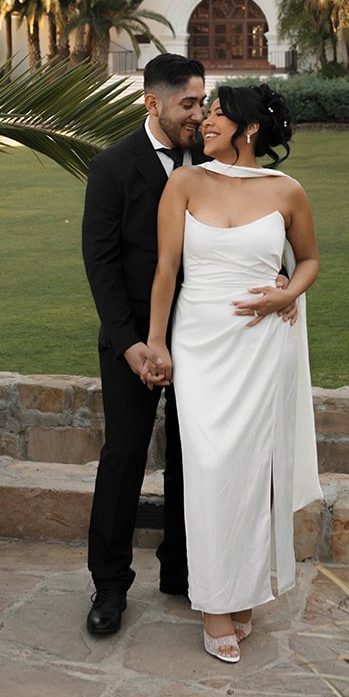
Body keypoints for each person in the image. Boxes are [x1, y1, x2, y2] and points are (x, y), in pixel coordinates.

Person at [146, 82, 321, 663]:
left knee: (251, 472)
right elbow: (167, 268)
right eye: (206, 113)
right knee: (207, 465)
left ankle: (241, 593)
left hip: (260, 345)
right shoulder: (184, 183)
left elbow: (310, 261)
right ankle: (215, 604)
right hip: (198, 344)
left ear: (249, 129)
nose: (206, 122)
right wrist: (155, 342)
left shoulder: (287, 191)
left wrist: (285, 294)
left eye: (218, 115)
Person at [80, 53, 206, 636]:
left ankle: (181, 570)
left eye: (202, 102)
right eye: (188, 103)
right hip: (131, 343)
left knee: (190, 458)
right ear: (152, 102)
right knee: (124, 456)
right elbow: (100, 263)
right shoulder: (111, 167)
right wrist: (130, 344)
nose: (198, 114)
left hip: (203, 342)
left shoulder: (212, 160)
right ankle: (109, 586)